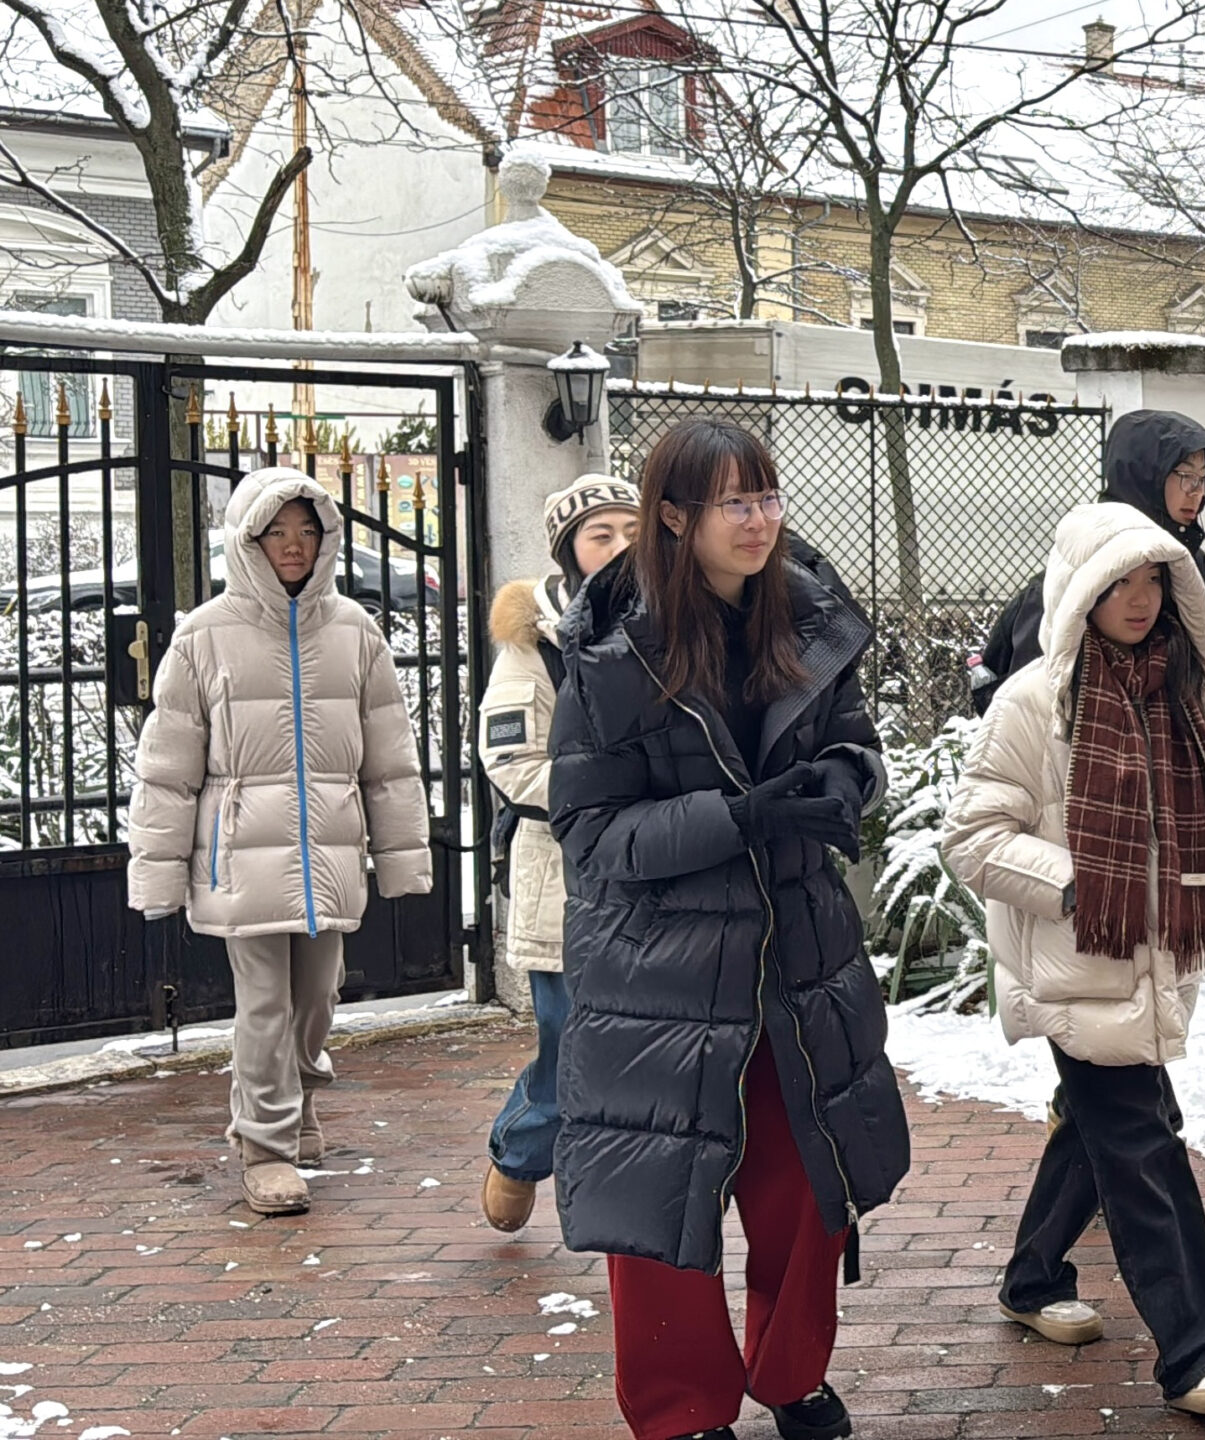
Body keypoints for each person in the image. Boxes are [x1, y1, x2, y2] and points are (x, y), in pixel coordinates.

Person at [548, 418, 906, 1440]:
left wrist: (842, 784)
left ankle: (792, 1374)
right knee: (661, 1195)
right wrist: (736, 817)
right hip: (657, 968)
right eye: (733, 502)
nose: (758, 521)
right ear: (673, 516)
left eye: (767, 496)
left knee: (805, 1187)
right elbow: (591, 833)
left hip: (795, 952)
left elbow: (854, 743)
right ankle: (680, 1407)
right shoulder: (612, 651)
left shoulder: (809, 616)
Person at [942, 501, 1205, 1418]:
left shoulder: (1179, 693)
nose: (1138, 597)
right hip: (1074, 963)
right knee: (1140, 1144)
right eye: (1118, 581)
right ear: (1080, 591)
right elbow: (971, 837)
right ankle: (1199, 1350)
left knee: (1114, 1124)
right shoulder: (1034, 702)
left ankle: (1032, 1276)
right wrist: (1079, 884)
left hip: (1151, 959)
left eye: (1153, 578)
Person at [128, 466, 433, 1217]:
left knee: (319, 996)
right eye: (276, 532)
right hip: (241, 853)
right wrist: (158, 871)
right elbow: (168, 769)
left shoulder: (355, 630)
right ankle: (265, 1147)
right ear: (247, 540)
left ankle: (296, 1099)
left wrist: (401, 856)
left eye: (306, 531)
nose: (293, 545)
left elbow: (390, 758)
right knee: (263, 1003)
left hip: (329, 847)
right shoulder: (204, 635)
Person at [476, 475, 642, 1233]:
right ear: (569, 551)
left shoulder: (682, 622)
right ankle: (521, 1150)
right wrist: (607, 794)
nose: (621, 547)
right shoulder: (532, 644)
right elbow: (510, 761)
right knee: (571, 1041)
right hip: (564, 872)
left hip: (658, 865)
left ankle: (622, 1191)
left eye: (632, 531)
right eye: (601, 535)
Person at [970, 410, 1205, 713]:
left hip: (1177, 738)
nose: (1197, 492)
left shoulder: (1191, 563)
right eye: (1185, 476)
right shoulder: (1084, 557)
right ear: (1144, 474)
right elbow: (1029, 706)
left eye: (1203, 479)